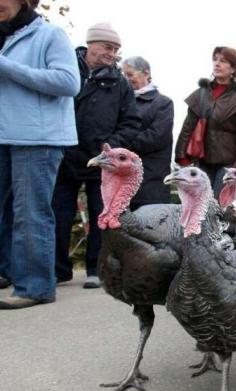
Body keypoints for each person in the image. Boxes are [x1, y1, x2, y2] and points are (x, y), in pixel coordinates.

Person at [0, 0, 80, 309]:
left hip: (37, 139)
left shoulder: (50, 35)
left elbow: (68, 82)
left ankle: (35, 286)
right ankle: (7, 273)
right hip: (5, 135)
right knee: (6, 214)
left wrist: (6, 66)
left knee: (30, 213)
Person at [52, 22, 140, 290]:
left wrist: (111, 147)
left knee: (101, 213)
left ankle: (96, 268)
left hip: (101, 160)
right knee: (57, 214)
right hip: (63, 153)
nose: (111, 54)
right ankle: (58, 269)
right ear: (90, 44)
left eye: (115, 49)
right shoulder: (66, 69)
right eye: (107, 47)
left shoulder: (120, 84)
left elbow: (131, 122)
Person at [174, 46, 236, 197]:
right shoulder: (202, 93)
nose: (217, 64)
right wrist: (182, 156)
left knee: (218, 206)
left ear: (233, 69)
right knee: (198, 204)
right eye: (215, 60)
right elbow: (188, 127)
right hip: (202, 161)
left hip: (228, 163)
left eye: (223, 61)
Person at [121, 56, 174, 209]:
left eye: (130, 75)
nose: (126, 79)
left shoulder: (163, 103)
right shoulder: (122, 101)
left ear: (146, 73)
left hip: (151, 179)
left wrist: (122, 143)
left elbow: (156, 136)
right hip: (123, 178)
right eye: (124, 75)